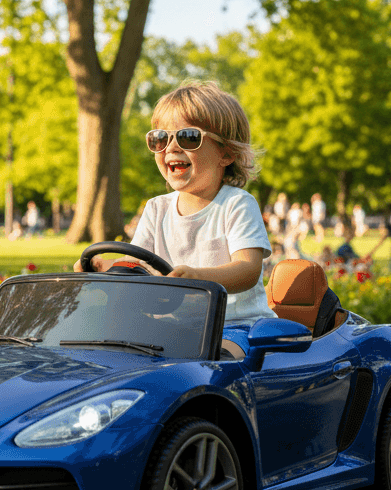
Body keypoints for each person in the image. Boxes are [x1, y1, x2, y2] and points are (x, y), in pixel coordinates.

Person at [82, 80, 276, 327]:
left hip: (234, 325)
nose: (171, 147)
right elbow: (136, 266)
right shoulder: (156, 209)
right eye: (160, 139)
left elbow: (248, 270)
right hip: (175, 328)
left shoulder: (236, 204)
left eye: (188, 137)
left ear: (226, 154)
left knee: (225, 350)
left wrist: (198, 278)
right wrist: (100, 266)